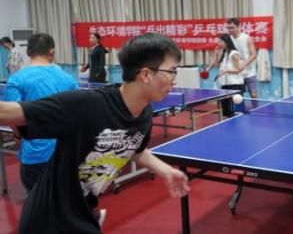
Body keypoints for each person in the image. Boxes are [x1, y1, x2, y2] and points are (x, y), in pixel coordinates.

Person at [0, 33, 190, 233]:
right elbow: (6, 113)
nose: (174, 80)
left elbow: (135, 149)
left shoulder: (144, 114)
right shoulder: (86, 104)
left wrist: (166, 171)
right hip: (47, 219)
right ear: (145, 75)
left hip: (82, 212)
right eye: (172, 71)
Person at [1, 33, 79, 193]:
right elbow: (77, 115)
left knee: (37, 201)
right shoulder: (69, 79)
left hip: (35, 155)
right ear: (52, 51)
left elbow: (11, 118)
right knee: (64, 198)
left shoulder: (16, 80)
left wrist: (18, 136)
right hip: (67, 153)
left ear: (28, 52)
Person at [205, 18, 260, 102]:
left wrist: (243, 65)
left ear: (238, 26)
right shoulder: (228, 39)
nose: (230, 30)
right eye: (228, 28)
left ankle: (256, 109)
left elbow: (253, 55)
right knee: (237, 98)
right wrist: (209, 68)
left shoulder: (247, 38)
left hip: (249, 72)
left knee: (253, 95)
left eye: (232, 27)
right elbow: (217, 56)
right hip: (236, 74)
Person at [213, 33, 244, 117]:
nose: (218, 43)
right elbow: (216, 65)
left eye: (220, 42)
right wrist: (215, 54)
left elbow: (239, 70)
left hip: (235, 85)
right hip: (225, 84)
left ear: (226, 42)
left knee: (237, 111)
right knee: (226, 111)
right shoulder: (225, 53)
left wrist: (226, 71)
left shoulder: (234, 54)